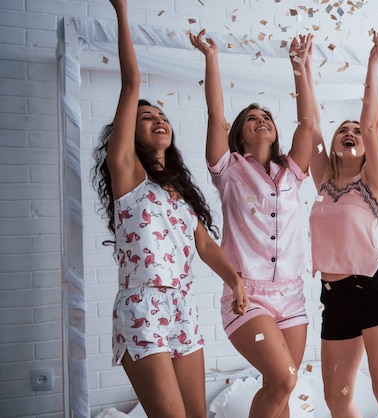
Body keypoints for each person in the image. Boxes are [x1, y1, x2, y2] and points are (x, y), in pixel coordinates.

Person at [91, 2, 249, 417]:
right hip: (142, 307)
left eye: (161, 114)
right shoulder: (127, 175)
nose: (157, 118)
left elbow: (205, 245)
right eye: (146, 117)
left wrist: (234, 281)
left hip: (183, 307)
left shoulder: (178, 192)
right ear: (130, 134)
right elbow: (131, 83)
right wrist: (122, 12)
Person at [189, 29, 316, 417]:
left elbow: (308, 125)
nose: (261, 120)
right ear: (239, 134)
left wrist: (300, 66)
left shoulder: (291, 173)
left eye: (266, 117)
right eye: (252, 119)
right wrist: (211, 56)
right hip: (248, 295)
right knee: (284, 380)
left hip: (291, 295)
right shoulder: (228, 171)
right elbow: (216, 115)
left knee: (282, 389)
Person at [308, 27, 378, 417]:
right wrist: (301, 68)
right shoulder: (322, 181)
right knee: (337, 397)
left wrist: (373, 62)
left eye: (355, 131)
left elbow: (371, 125)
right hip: (334, 297)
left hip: (374, 290)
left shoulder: (372, 182)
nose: (350, 133)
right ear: (335, 145)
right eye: (342, 131)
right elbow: (311, 125)